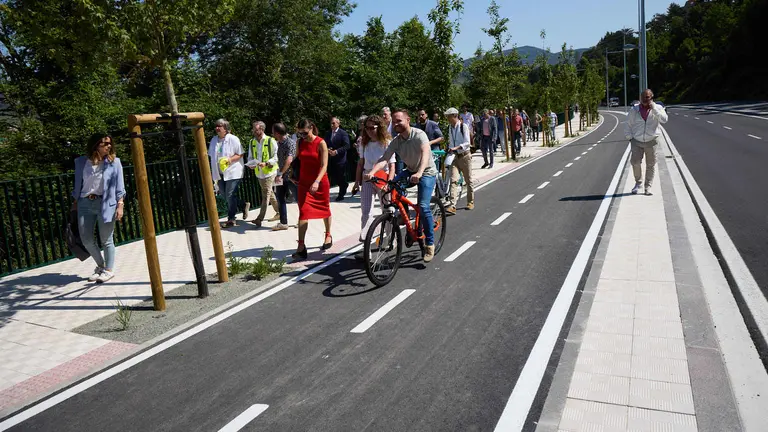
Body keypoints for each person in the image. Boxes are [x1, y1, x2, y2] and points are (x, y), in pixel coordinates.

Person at [365, 109, 438, 263]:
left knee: (424, 206)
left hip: (426, 172)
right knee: (393, 189)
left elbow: (425, 154)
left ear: (408, 120)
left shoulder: (419, 135)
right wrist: (372, 172)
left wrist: (419, 173)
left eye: (399, 121)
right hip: (409, 171)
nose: (396, 124)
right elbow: (384, 158)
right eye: (394, 121)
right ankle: (407, 225)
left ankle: (430, 244)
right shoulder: (397, 141)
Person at [71, 134, 125, 283]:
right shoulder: (81, 162)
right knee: (86, 239)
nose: (108, 146)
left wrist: (120, 205)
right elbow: (78, 184)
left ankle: (109, 270)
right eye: (104, 144)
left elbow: (120, 187)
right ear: (95, 145)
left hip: (106, 203)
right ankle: (101, 267)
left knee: (106, 239)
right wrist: (75, 202)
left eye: (109, 143)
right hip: (84, 203)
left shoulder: (114, 163)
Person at [292, 118, 332, 260]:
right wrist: (291, 173)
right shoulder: (300, 142)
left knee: (324, 209)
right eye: (300, 134)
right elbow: (297, 159)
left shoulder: (321, 143)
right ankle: (301, 246)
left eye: (304, 133)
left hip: (319, 182)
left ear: (311, 128)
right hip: (303, 183)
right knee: (303, 212)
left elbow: (324, 165)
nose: (302, 136)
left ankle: (328, 234)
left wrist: (316, 181)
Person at [354, 114, 396, 242]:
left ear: (380, 127)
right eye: (367, 128)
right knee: (366, 211)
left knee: (387, 210)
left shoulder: (387, 143)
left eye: (372, 128)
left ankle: (391, 238)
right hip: (367, 177)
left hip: (383, 177)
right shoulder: (363, 143)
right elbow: (361, 163)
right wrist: (356, 182)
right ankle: (366, 240)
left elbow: (392, 165)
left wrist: (389, 182)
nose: (369, 131)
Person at [624, 88, 669, 195]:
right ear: (640, 98)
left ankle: (647, 187)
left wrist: (654, 109)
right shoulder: (634, 110)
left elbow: (664, 120)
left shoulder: (658, 108)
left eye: (647, 97)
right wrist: (629, 137)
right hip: (636, 140)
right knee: (635, 162)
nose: (645, 99)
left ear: (652, 98)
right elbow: (627, 124)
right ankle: (638, 183)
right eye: (643, 97)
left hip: (652, 141)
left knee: (651, 165)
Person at [208, 118, 248, 228]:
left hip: (233, 171)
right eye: (216, 126)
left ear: (225, 128)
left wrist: (229, 160)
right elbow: (211, 155)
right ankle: (242, 204)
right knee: (225, 195)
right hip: (219, 173)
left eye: (219, 126)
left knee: (230, 195)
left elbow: (240, 154)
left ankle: (231, 218)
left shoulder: (233, 139)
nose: (217, 128)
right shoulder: (214, 140)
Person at [247, 120, 280, 227]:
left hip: (269, 172)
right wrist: (251, 164)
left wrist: (266, 163)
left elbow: (276, 157)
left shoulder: (270, 140)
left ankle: (259, 218)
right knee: (269, 193)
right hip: (259, 173)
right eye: (254, 129)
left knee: (265, 195)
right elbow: (250, 157)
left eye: (256, 129)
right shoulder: (252, 142)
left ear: (262, 129)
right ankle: (280, 212)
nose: (254, 131)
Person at [444, 108, 474, 215]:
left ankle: (470, 202)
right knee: (453, 180)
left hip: (465, 156)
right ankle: (452, 205)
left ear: (454, 116)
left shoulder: (463, 126)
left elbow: (467, 143)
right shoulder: (450, 128)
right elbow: (451, 142)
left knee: (469, 180)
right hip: (455, 157)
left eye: (448, 116)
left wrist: (456, 148)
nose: (447, 119)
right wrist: (450, 148)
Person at [271, 122, 297, 231]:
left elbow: (289, 160)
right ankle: (283, 222)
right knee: (280, 198)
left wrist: (281, 173)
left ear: (277, 133)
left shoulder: (290, 143)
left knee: (298, 198)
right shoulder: (278, 143)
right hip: (280, 176)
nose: (272, 134)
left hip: (291, 176)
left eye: (273, 132)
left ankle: (303, 219)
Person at [324, 117, 351, 201]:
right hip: (330, 159)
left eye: (334, 123)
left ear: (338, 124)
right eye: (331, 123)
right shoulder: (328, 133)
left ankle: (341, 193)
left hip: (340, 159)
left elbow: (347, 146)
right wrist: (327, 149)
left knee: (340, 177)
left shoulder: (343, 133)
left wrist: (337, 151)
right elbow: (324, 143)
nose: (332, 125)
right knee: (332, 176)